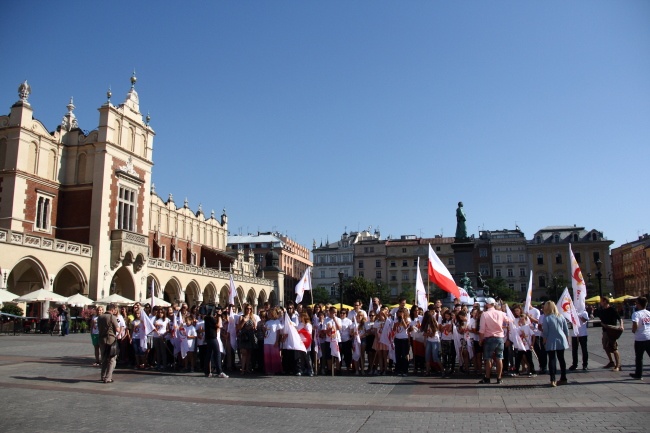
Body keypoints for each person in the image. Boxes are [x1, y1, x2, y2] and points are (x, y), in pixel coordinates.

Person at [478, 297, 508, 384]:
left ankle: (487, 377)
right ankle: (499, 378)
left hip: (489, 338)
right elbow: (508, 321)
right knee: (499, 358)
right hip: (499, 338)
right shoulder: (501, 313)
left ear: (487, 304)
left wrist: (480, 339)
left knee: (488, 358)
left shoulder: (485, 314)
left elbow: (482, 329)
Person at [542, 301, 569, 387]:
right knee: (561, 359)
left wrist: (544, 341)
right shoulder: (561, 316)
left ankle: (552, 379)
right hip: (561, 339)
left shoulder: (546, 318)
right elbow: (566, 330)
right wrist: (567, 340)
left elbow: (545, 332)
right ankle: (564, 377)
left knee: (552, 359)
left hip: (551, 339)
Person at [98, 303, 122, 383]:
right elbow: (118, 329)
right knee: (112, 359)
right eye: (114, 310)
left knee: (104, 358)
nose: (115, 311)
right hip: (110, 339)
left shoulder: (100, 317)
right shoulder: (112, 317)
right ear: (112, 310)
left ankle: (102, 376)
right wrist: (121, 328)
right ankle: (108, 378)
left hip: (101, 339)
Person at [598, 297, 623, 371]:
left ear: (605, 301)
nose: (600, 303)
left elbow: (619, 318)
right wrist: (602, 324)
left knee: (614, 348)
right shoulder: (602, 310)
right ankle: (611, 362)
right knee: (605, 347)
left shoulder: (612, 309)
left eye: (601, 301)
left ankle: (618, 365)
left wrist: (621, 325)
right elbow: (601, 320)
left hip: (612, 331)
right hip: (605, 331)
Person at [204, 306, 227, 378]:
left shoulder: (206, 318)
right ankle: (219, 371)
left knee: (209, 354)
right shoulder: (210, 318)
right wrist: (219, 316)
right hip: (213, 338)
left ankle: (207, 372)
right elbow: (219, 325)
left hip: (209, 338)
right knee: (217, 354)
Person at [630, 297, 650, 380]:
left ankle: (638, 374)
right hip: (649, 337)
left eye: (636, 303)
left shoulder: (636, 314)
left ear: (639, 304)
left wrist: (634, 330)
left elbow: (635, 324)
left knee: (639, 357)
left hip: (640, 338)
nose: (636, 305)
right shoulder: (649, 313)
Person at [237, 303, 257, 375]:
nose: (249, 310)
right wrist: (244, 321)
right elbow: (239, 327)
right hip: (244, 336)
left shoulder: (252, 317)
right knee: (244, 353)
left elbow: (255, 327)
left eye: (250, 309)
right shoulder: (242, 317)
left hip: (251, 336)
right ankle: (242, 369)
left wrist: (254, 327)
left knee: (249, 353)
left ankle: (247, 368)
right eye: (247, 308)